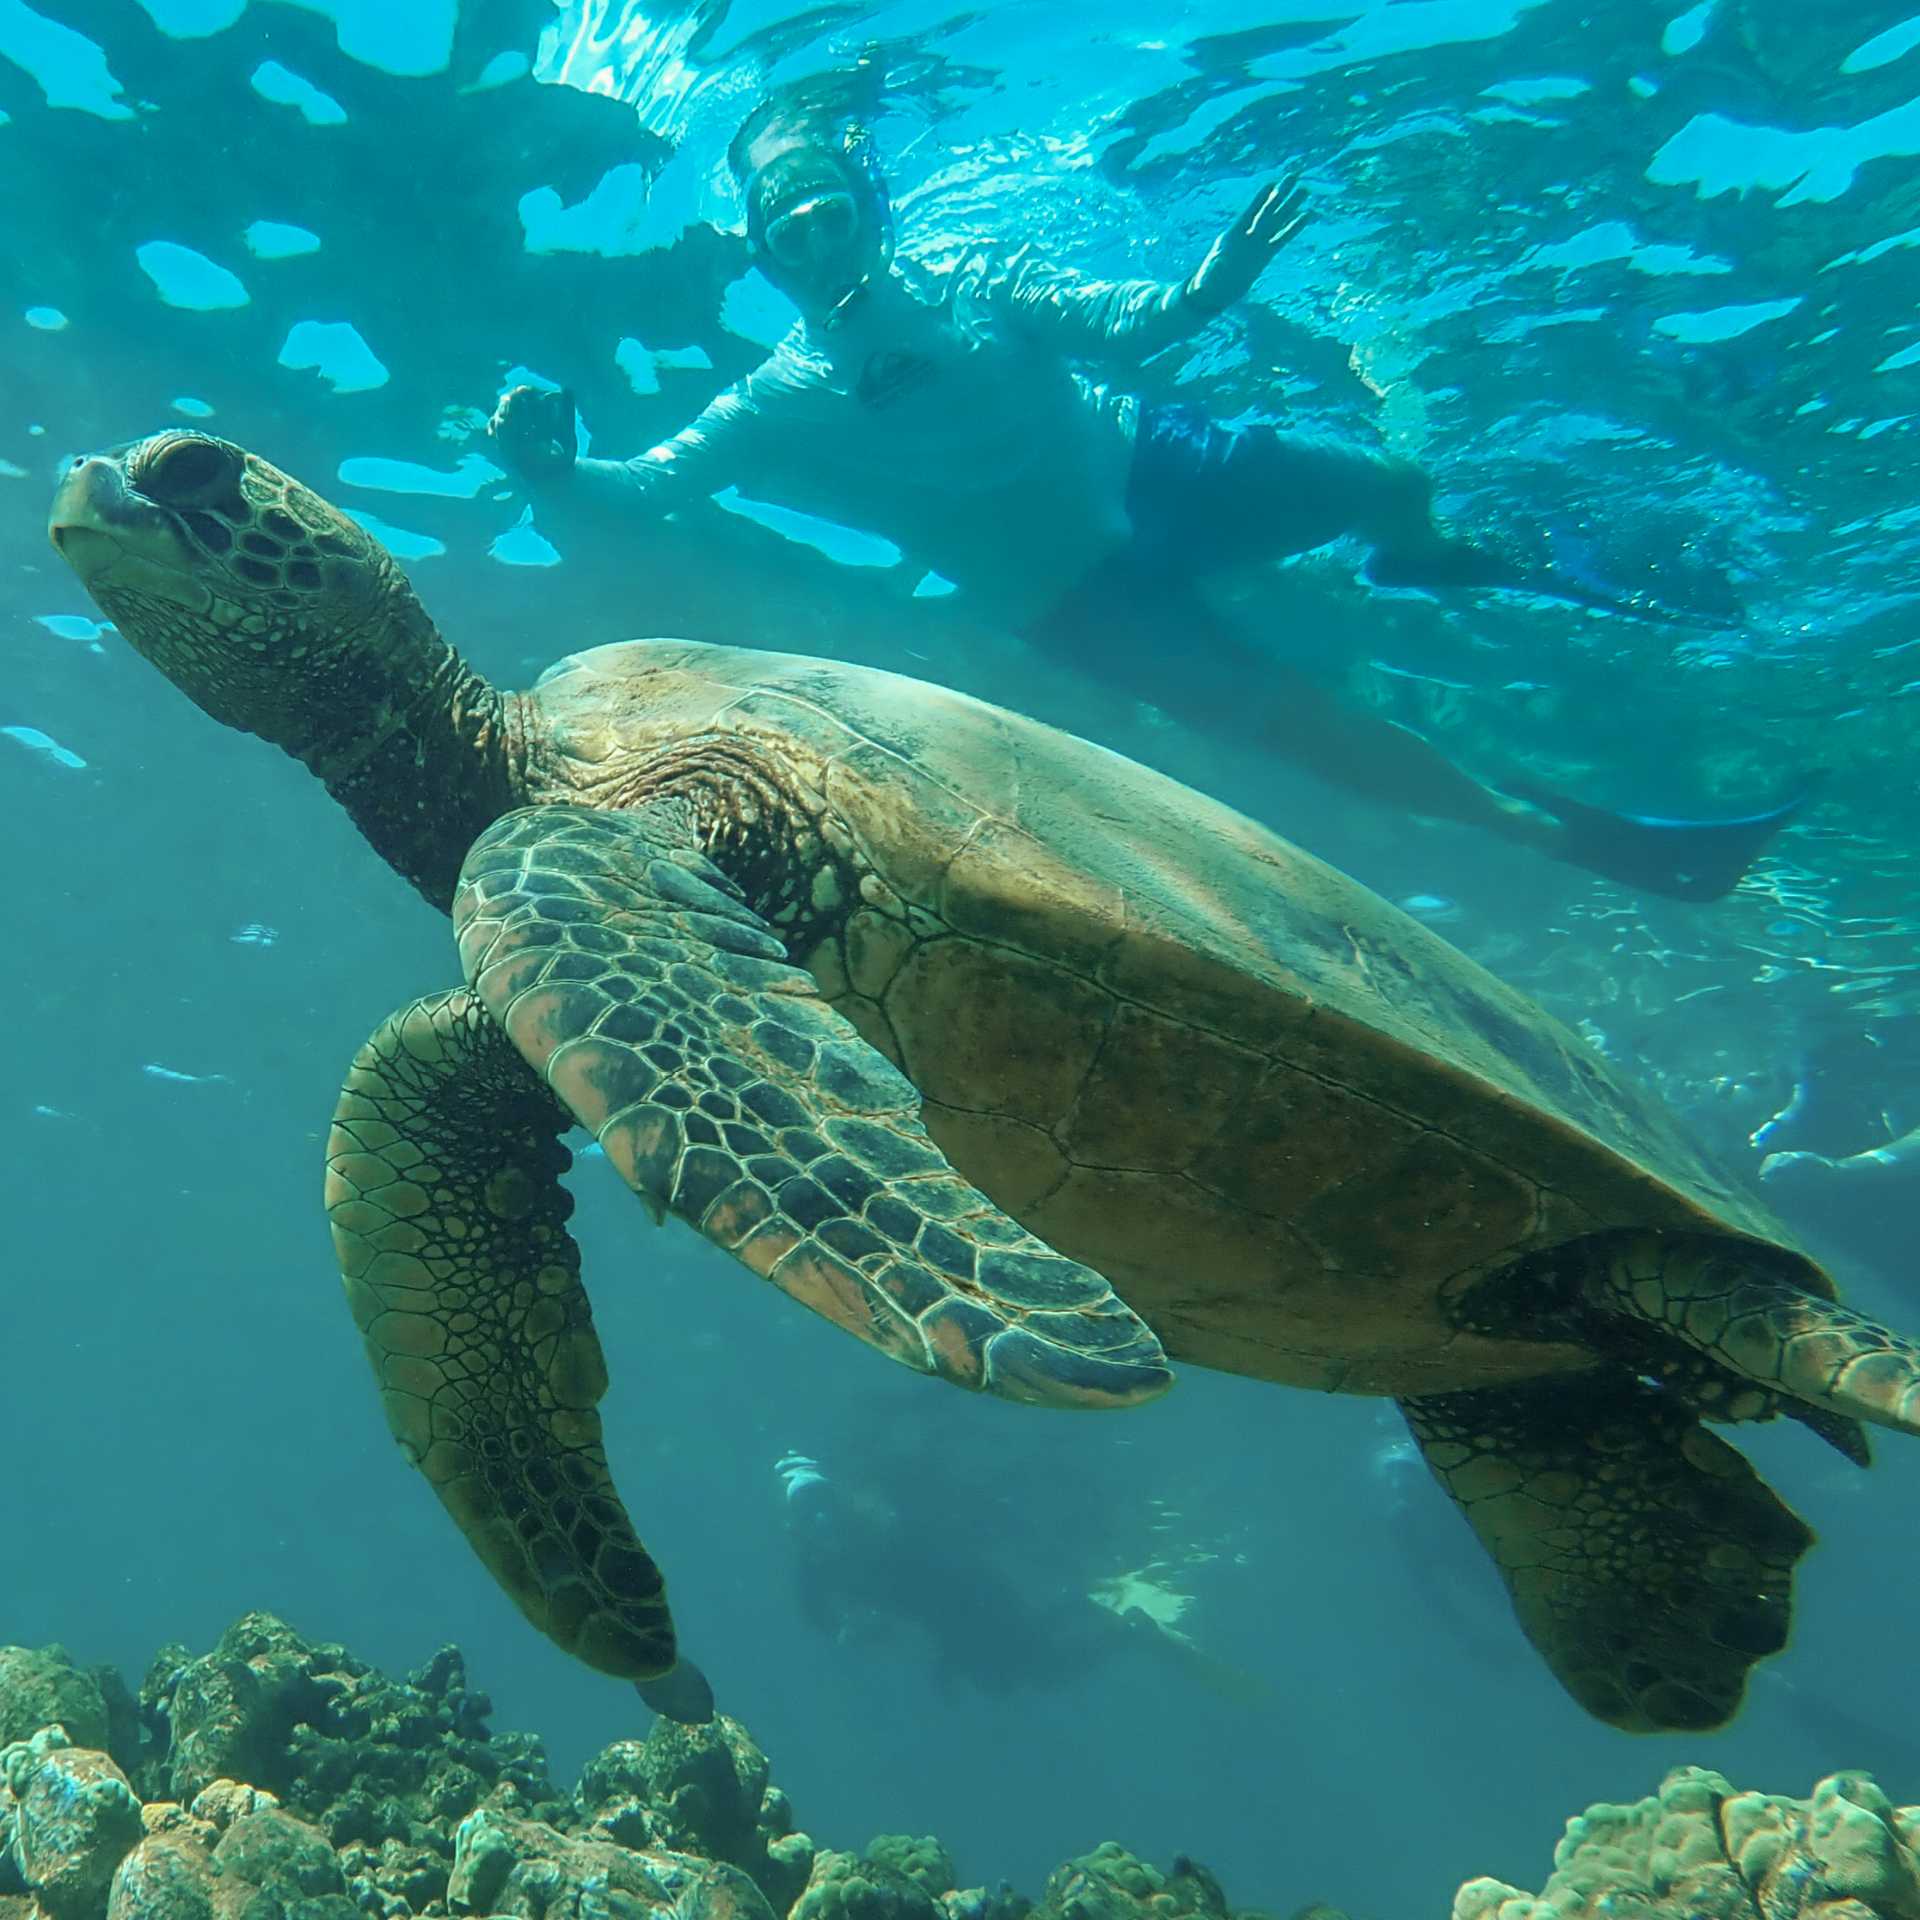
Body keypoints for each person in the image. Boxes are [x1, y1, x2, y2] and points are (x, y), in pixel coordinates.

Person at [489, 81, 1807, 902]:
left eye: (834, 214)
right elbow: (653, 489)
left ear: (868, 214)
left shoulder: (960, 277)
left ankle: (1423, 553)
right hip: (1067, 598)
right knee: (1299, 723)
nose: (820, 240)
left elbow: (1122, 321)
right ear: (769, 254)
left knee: (1389, 476)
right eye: (794, 230)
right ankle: (1558, 834)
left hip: (1151, 463)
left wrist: (1213, 288)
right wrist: (555, 463)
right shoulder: (783, 388)